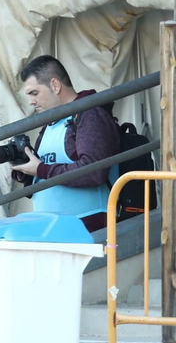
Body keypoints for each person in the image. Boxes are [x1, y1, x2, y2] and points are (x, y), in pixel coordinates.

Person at [12, 55, 117, 232]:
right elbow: (45, 173)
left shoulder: (90, 115)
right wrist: (25, 170)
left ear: (55, 85)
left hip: (87, 226)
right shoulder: (51, 123)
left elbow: (94, 172)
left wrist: (41, 170)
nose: (31, 101)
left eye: (34, 93)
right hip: (53, 227)